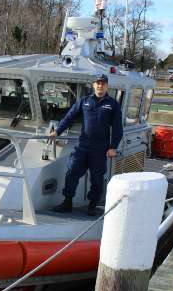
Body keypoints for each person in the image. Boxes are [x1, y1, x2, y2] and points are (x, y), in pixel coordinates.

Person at [49, 73, 123, 216]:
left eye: (103, 83)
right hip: (82, 145)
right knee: (72, 172)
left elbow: (118, 128)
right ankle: (67, 202)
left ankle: (92, 205)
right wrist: (57, 131)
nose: (100, 85)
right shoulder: (85, 101)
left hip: (100, 148)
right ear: (93, 85)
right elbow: (69, 117)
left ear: (107, 85)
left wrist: (113, 147)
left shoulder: (112, 105)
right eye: (98, 83)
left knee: (96, 178)